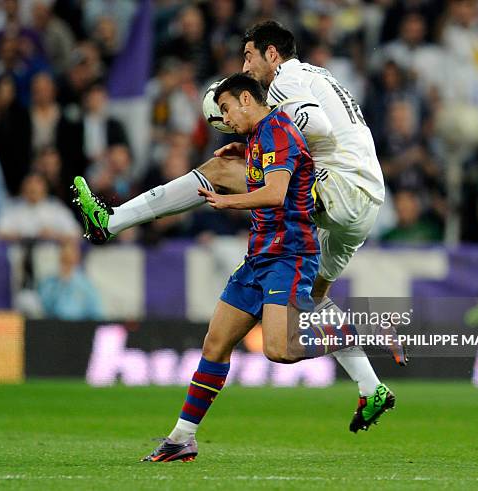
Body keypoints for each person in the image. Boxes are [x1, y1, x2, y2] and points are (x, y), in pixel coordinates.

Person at [73, 22, 404, 432]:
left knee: (216, 170)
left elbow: (318, 128)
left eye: (248, 56)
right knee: (313, 299)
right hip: (365, 199)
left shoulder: (287, 77)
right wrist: (260, 144)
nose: (244, 64)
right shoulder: (318, 75)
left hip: (340, 186)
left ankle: (112, 219)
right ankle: (371, 387)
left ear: (272, 55)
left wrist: (262, 144)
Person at [135, 74, 369, 462]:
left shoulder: (278, 131)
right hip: (259, 257)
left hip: (290, 255)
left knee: (278, 350)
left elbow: (276, 194)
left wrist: (227, 202)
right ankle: (182, 438)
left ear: (247, 98)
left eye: (225, 109)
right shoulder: (259, 137)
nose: (225, 118)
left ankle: (350, 335)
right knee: (216, 343)